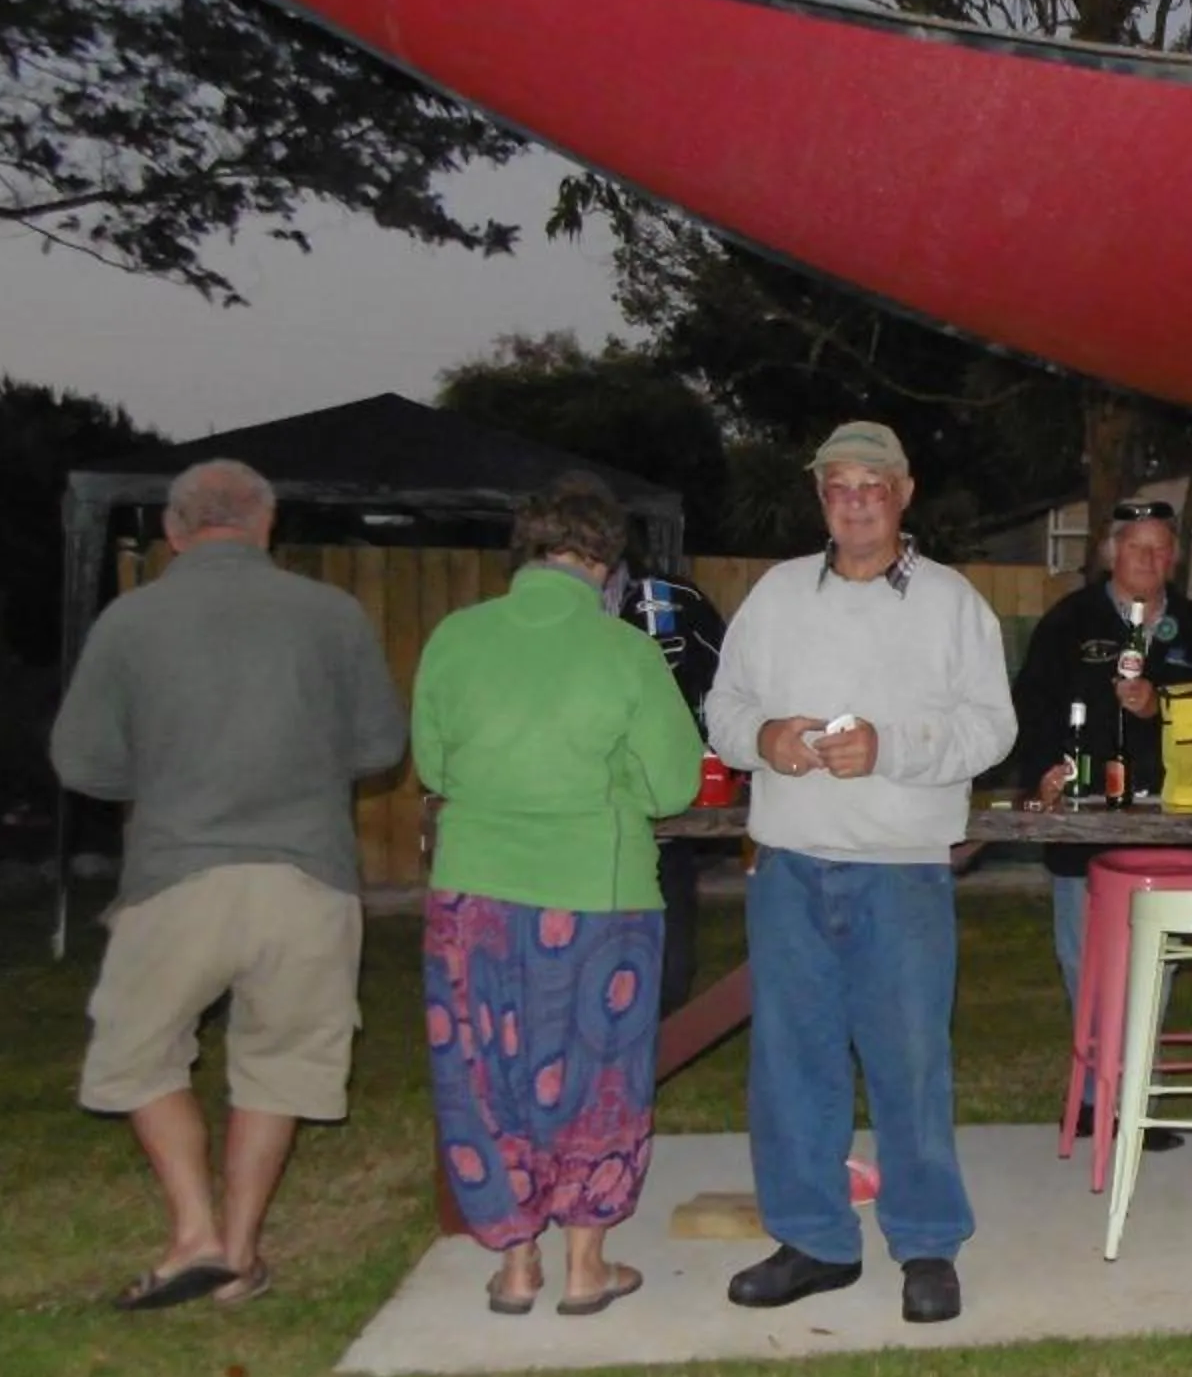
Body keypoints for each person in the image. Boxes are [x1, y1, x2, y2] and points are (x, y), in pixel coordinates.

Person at [50, 460, 407, 1312]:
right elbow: (377, 748)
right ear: (266, 524)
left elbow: (81, 761)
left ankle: (194, 1234)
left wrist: (169, 768)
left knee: (137, 1054)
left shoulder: (131, 620)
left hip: (178, 874)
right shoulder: (332, 614)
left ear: (175, 530)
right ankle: (240, 1253)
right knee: (281, 1063)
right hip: (307, 877)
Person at [705, 421, 1016, 1325]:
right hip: (791, 865)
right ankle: (815, 1240)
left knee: (911, 1063)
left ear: (904, 493)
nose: (855, 502)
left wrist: (893, 748)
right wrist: (763, 738)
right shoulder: (774, 596)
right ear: (821, 497)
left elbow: (993, 729)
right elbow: (723, 706)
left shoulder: (954, 603)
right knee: (790, 1062)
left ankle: (925, 1243)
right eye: (838, 486)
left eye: (872, 486)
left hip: (901, 869)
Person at [413, 476, 709, 1318]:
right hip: (597, 896)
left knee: (481, 1073)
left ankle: (514, 1267)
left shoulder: (455, 638)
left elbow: (435, 768)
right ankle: (586, 1265)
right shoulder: (624, 651)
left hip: (474, 896)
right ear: (605, 565)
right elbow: (673, 783)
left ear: (527, 553)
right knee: (597, 1076)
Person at [1011, 494, 1192, 1013]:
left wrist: (1160, 705)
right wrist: (1043, 774)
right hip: (1082, 826)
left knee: (1154, 960)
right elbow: (1031, 708)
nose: (1148, 560)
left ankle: (1132, 1084)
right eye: (1136, 547)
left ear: (1174, 557)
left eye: (1160, 549)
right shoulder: (1068, 621)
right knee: (1083, 957)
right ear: (1112, 552)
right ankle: (1098, 1083)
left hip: (1172, 825)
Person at [606, 547, 728, 1020]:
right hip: (574, 821)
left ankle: (650, 1048)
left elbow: (727, 682)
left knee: (668, 971)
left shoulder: (673, 603)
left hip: (665, 813)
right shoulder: (540, 623)